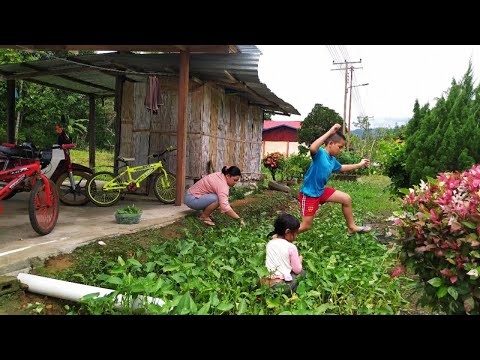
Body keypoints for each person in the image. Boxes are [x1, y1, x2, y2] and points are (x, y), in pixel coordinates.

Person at [298, 123, 371, 236]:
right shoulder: (320, 153)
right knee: (305, 226)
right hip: (309, 194)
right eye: (340, 146)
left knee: (346, 199)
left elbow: (341, 167)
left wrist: (359, 165)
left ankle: (351, 227)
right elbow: (312, 147)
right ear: (331, 143)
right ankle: (281, 235)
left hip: (320, 191)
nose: (340, 150)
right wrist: (330, 132)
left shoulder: (332, 159)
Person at [261, 213, 305, 295]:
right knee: (302, 273)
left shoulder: (270, 244)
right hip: (279, 286)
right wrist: (300, 260)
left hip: (266, 284)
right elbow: (297, 270)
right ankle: (290, 294)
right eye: (295, 233)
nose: (296, 236)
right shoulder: (291, 247)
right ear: (287, 232)